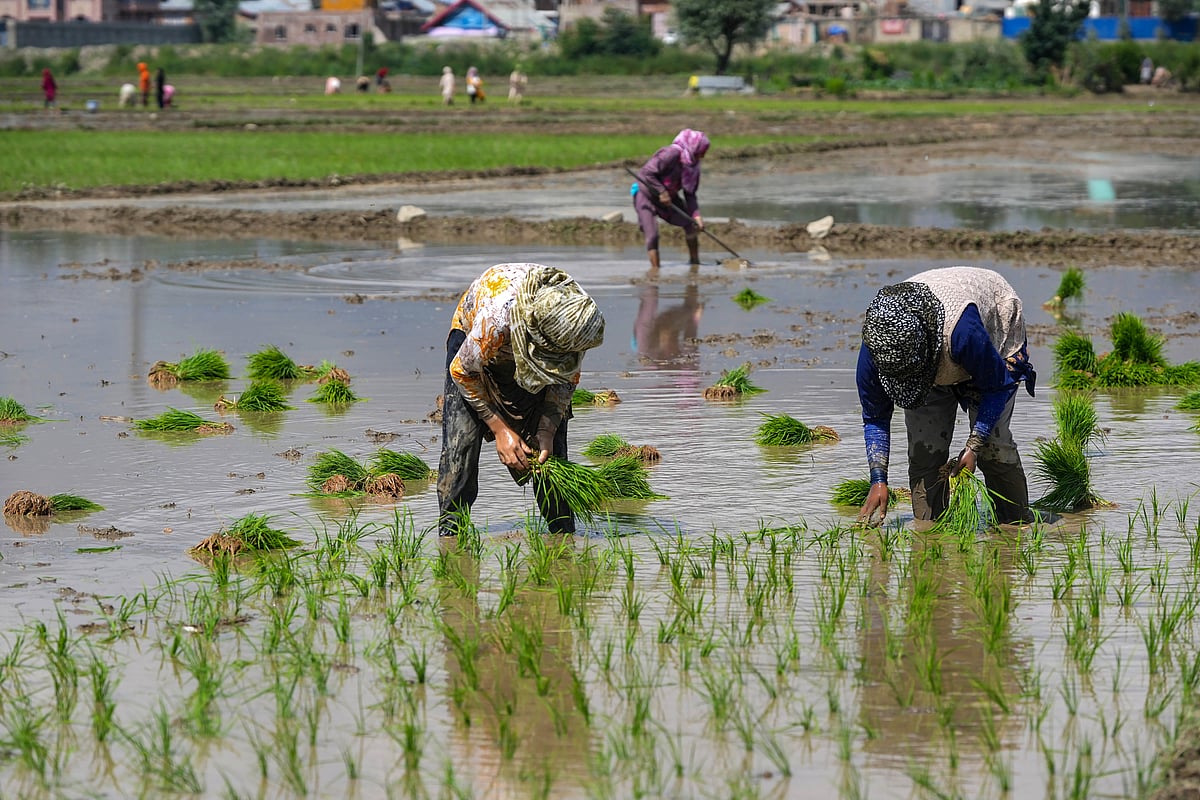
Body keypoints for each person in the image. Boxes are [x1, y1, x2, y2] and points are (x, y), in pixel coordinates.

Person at [855, 266, 1042, 527]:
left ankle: (1015, 526)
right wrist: (878, 479)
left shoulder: (962, 332)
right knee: (924, 451)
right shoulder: (879, 348)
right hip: (927, 351)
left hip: (987, 330)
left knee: (993, 446)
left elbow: (997, 385)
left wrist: (974, 445)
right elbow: (875, 418)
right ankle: (930, 532)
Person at [438, 263, 605, 538]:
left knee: (549, 455)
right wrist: (500, 429)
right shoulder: (497, 318)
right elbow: (462, 371)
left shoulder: (578, 320)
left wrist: (547, 430)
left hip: (541, 338)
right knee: (461, 449)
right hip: (475, 344)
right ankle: (451, 539)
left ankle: (563, 538)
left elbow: (566, 380)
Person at [632, 128, 710, 271]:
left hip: (669, 197)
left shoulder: (693, 167)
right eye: (700, 152)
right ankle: (655, 271)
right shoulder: (671, 154)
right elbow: (647, 173)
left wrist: (697, 216)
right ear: (693, 147)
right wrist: (662, 191)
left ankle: (695, 264)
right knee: (652, 235)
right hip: (646, 194)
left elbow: (690, 194)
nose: (702, 157)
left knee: (691, 225)